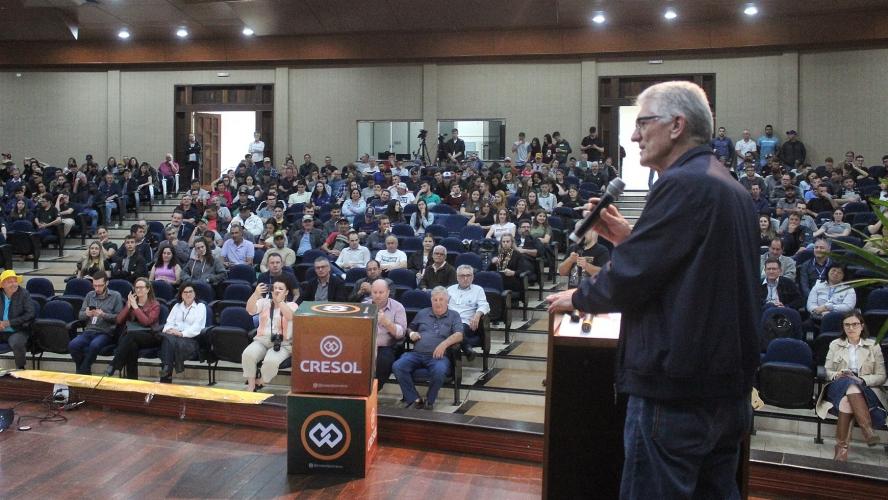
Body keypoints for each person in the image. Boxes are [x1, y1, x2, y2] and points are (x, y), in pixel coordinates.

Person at [546, 81, 759, 499]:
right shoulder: (723, 183)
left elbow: (632, 279)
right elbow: (682, 270)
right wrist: (627, 237)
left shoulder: (682, 183)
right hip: (721, 390)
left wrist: (579, 297)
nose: (633, 135)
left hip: (675, 392)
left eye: (643, 123)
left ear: (677, 125)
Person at [816, 310, 886, 461]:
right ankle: (867, 430)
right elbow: (827, 371)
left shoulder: (873, 346)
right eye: (847, 325)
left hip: (866, 390)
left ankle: (841, 449)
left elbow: (881, 376)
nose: (851, 328)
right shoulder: (835, 344)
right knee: (848, 382)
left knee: (847, 400)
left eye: (854, 324)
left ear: (862, 326)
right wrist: (837, 374)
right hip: (838, 386)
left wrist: (862, 380)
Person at [392, 287, 463, 411]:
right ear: (431, 301)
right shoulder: (423, 313)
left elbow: (459, 335)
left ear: (447, 301)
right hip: (416, 354)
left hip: (438, 357)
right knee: (398, 366)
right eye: (435, 299)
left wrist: (444, 344)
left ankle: (430, 401)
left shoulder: (454, 315)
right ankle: (415, 399)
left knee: (440, 371)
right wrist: (411, 334)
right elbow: (409, 328)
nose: (438, 302)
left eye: (441, 299)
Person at [242, 280, 298, 391]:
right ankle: (251, 386)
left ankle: (261, 381)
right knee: (248, 354)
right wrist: (255, 294)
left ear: (286, 292)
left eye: (280, 289)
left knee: (270, 362)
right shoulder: (264, 302)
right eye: (275, 288)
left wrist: (280, 302)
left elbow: (290, 317)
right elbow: (249, 310)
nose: (277, 290)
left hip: (282, 343)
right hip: (262, 340)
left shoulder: (292, 305)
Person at [105, 278, 161, 379]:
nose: (138, 290)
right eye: (136, 288)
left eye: (141, 287)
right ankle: (132, 380)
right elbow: (118, 320)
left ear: (148, 289)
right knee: (132, 346)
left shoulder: (155, 305)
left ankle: (114, 365)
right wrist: (128, 306)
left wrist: (135, 307)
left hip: (150, 335)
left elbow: (146, 322)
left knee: (130, 336)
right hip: (132, 337)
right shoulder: (132, 302)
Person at [69, 271, 124, 375]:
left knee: (94, 345)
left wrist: (103, 315)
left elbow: (119, 318)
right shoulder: (90, 295)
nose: (97, 288)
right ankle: (85, 371)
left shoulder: (115, 296)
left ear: (106, 283)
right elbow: (80, 315)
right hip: (89, 330)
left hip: (105, 332)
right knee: (73, 345)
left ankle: (83, 371)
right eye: (95, 285)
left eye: (100, 285)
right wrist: (87, 314)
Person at [158, 284, 207, 383]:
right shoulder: (177, 306)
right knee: (168, 338)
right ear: (181, 294)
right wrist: (169, 330)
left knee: (167, 340)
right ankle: (166, 371)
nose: (188, 294)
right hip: (173, 337)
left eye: (190, 292)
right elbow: (169, 323)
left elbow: (197, 327)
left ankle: (166, 372)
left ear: (195, 294)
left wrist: (181, 333)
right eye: (185, 292)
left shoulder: (200, 307)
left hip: (190, 340)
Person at [366, 279, 407, 390]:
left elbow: (401, 334)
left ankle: (372, 392)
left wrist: (386, 322)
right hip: (366, 345)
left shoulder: (398, 307)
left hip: (387, 346)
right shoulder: (364, 306)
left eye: (381, 292)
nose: (378, 296)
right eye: (375, 292)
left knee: (383, 361)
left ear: (388, 292)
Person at [447, 265, 490, 362]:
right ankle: (467, 349)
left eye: (468, 275)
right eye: (462, 276)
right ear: (457, 277)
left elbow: (485, 305)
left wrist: (477, 315)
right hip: (448, 321)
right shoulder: (450, 289)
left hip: (466, 323)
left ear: (473, 277)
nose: (465, 278)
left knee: (456, 328)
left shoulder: (478, 290)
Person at [0, 270, 36, 370]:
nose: (14, 284)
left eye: (15, 281)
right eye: (10, 282)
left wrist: (9, 323)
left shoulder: (24, 294)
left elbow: (30, 314)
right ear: (2, 285)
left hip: (18, 330)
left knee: (16, 342)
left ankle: (20, 369)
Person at [558, 222, 611, 289]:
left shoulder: (602, 250)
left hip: (592, 293)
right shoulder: (572, 248)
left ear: (592, 231)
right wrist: (570, 260)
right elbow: (562, 272)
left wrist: (586, 265)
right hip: (573, 292)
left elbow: (605, 274)